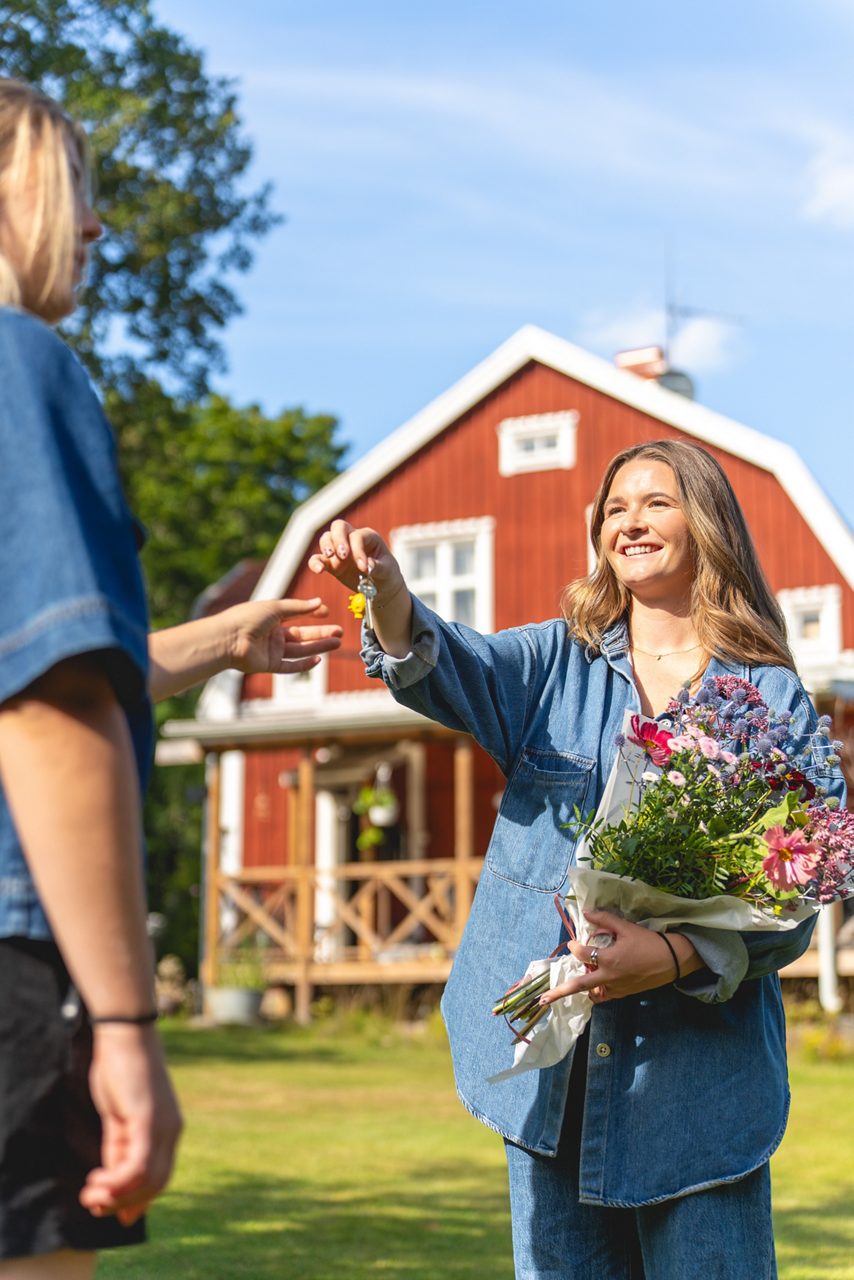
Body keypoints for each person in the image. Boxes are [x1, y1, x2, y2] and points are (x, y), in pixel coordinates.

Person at [309, 439, 846, 1279]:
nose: (630, 521)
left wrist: (670, 956)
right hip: (552, 1084)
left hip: (699, 1092)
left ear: (706, 521)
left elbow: (801, 886)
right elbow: (451, 665)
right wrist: (389, 596)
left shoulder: (768, 694)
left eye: (656, 503)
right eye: (615, 508)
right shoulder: (555, 662)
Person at [0, 77, 342, 1278]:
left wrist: (224, 640)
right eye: (74, 188)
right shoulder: (19, 365)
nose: (94, 228)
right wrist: (129, 1020)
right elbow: (48, 704)